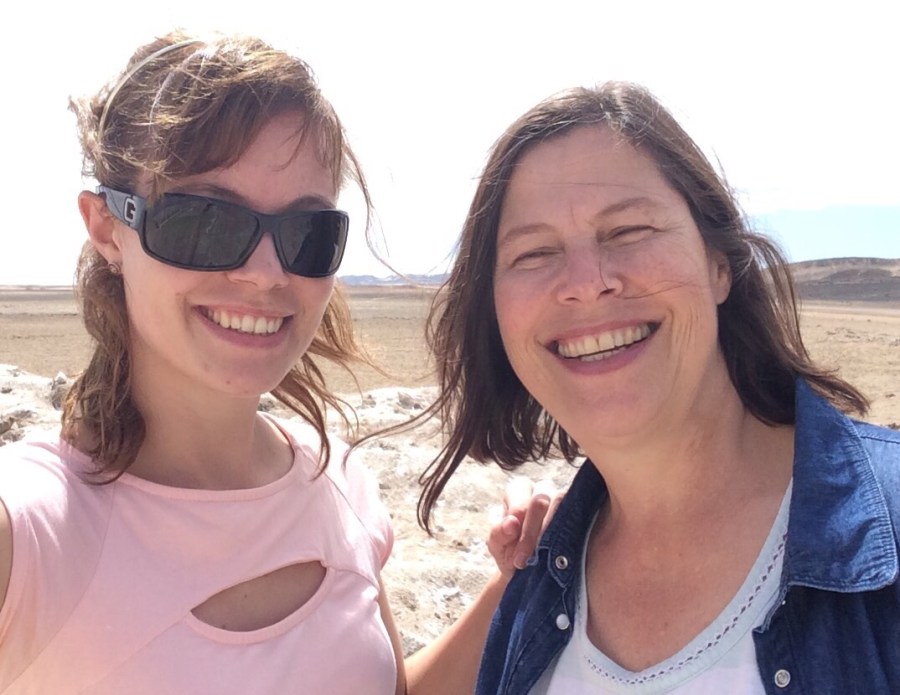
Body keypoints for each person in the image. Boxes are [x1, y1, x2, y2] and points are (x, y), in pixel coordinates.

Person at [0, 30, 547, 695]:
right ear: (107, 229)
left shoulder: (337, 483)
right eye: (206, 222)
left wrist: (514, 580)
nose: (265, 273)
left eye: (307, 233)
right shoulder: (31, 529)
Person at [419, 82, 900, 694]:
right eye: (534, 253)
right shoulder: (533, 584)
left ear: (719, 264)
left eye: (628, 231)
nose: (587, 282)